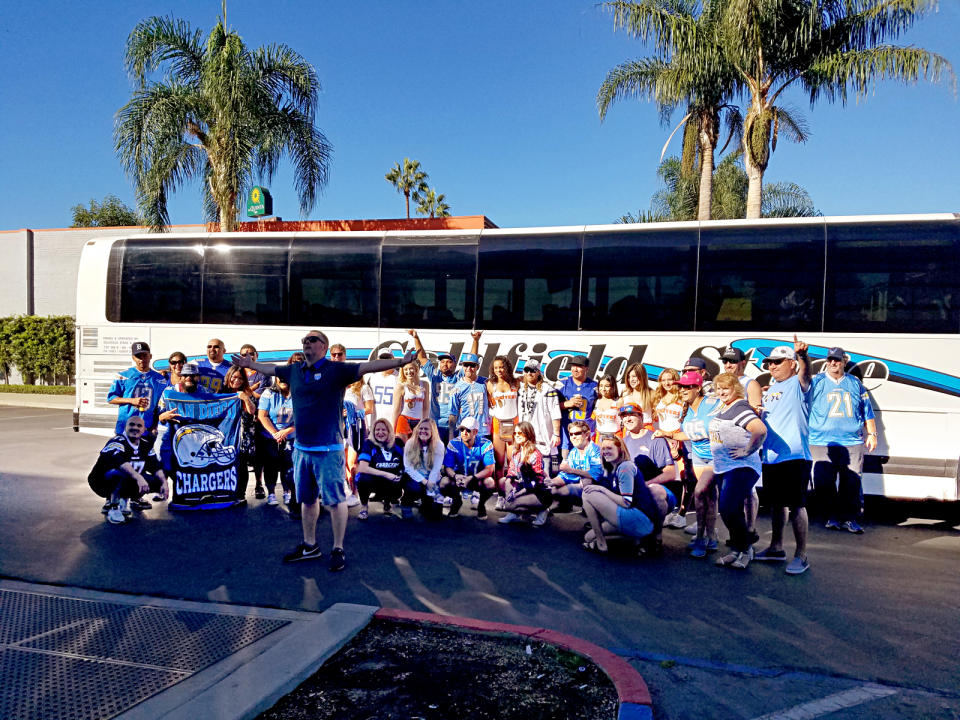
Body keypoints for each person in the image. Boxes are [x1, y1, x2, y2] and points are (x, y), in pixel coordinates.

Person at [233, 330, 415, 572]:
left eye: (312, 340)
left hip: (329, 449)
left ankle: (338, 548)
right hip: (301, 450)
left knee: (336, 501)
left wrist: (400, 362)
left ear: (324, 346)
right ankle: (310, 545)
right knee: (307, 500)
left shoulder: (336, 370)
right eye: (304, 341)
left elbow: (370, 366)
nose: (306, 344)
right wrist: (249, 364)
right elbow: (269, 370)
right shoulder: (294, 371)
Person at [754, 337, 813, 575]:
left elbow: (807, 374)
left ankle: (802, 555)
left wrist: (803, 356)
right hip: (771, 456)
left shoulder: (799, 384)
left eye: (778, 362)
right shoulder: (770, 390)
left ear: (791, 363)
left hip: (795, 454)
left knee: (797, 504)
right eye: (769, 363)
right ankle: (776, 548)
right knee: (777, 504)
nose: (772, 366)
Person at [808, 346, 877, 534]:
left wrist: (872, 433)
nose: (833, 363)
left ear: (844, 362)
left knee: (851, 481)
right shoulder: (817, 382)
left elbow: (866, 411)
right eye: (829, 360)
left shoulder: (855, 383)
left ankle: (849, 518)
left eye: (837, 360)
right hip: (821, 441)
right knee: (823, 482)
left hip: (851, 441)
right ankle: (831, 515)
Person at [655, 371, 722, 558]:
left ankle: (701, 537)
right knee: (709, 497)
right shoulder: (687, 408)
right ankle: (711, 537)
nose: (683, 390)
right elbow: (687, 434)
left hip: (716, 456)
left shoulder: (712, 404)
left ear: (698, 388)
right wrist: (666, 434)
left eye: (688, 386)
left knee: (700, 493)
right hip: (698, 456)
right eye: (682, 386)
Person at [709, 373, 768, 570]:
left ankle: (745, 550)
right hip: (724, 467)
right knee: (730, 510)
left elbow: (759, 430)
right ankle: (736, 550)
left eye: (726, 388)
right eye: (718, 388)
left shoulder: (740, 407)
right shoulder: (724, 407)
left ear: (735, 388)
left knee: (727, 508)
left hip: (741, 467)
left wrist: (747, 450)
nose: (721, 392)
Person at [581, 436, 673, 554]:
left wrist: (601, 490)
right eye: (603, 449)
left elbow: (626, 502)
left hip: (639, 517)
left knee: (588, 494)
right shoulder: (610, 470)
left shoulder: (625, 467)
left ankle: (601, 544)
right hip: (630, 516)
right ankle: (636, 539)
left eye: (610, 448)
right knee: (588, 537)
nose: (605, 452)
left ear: (620, 450)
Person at [719, 345, 764, 539]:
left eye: (732, 361)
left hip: (745, 445)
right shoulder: (722, 385)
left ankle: (750, 528)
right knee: (731, 493)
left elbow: (756, 414)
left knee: (748, 490)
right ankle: (737, 535)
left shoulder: (750, 383)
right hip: (727, 449)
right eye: (725, 361)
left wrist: (748, 449)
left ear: (742, 363)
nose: (728, 365)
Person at [89, 416, 167, 524]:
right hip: (101, 482)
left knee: (158, 479)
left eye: (139, 426)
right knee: (119, 473)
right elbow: (119, 462)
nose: (135, 428)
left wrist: (164, 483)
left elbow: (155, 466)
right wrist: (139, 477)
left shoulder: (145, 445)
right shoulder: (117, 441)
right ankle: (113, 506)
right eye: (131, 424)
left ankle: (126, 499)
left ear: (144, 430)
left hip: (126, 480)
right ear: (125, 427)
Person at [409, 329, 482, 444]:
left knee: (452, 454)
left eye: (449, 362)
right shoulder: (434, 374)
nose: (445, 364)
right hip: (435, 424)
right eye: (442, 362)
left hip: (454, 424)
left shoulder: (459, 376)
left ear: (454, 364)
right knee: (435, 453)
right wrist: (416, 337)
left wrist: (475, 341)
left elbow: (472, 358)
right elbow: (422, 358)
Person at [154, 362, 218, 476]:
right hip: (171, 435)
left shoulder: (205, 392)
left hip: (195, 438)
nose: (189, 378)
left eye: (193, 375)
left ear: (198, 377)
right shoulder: (169, 392)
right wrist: (164, 417)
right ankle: (162, 493)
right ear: (181, 377)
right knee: (165, 468)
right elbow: (158, 415)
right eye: (185, 375)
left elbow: (216, 412)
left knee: (195, 471)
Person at [107, 341, 169, 445]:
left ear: (150, 356)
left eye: (145, 355)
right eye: (138, 356)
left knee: (145, 460)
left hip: (146, 429)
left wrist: (154, 426)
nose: (142, 359)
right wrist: (131, 400)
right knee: (123, 459)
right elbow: (111, 398)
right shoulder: (123, 375)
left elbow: (159, 407)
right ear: (133, 358)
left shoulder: (159, 379)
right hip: (125, 428)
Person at [439, 417, 496, 519]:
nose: (464, 433)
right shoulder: (454, 443)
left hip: (476, 479)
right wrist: (455, 476)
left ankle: (481, 505)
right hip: (459, 479)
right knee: (443, 482)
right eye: (462, 429)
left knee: (490, 482)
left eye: (468, 430)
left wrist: (473, 478)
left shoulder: (486, 444)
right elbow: (448, 467)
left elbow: (489, 469)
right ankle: (457, 501)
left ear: (475, 432)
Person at [498, 421, 551, 526]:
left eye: (520, 433)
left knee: (510, 504)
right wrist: (508, 484)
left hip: (538, 492)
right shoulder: (516, 451)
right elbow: (511, 470)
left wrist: (517, 494)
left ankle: (542, 509)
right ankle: (515, 513)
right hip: (524, 486)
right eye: (515, 433)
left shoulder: (536, 454)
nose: (517, 435)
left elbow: (536, 483)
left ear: (528, 434)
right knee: (503, 481)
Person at [257, 371, 296, 510]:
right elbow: (262, 416)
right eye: (281, 377)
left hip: (290, 435)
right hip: (271, 436)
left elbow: (303, 417)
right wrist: (275, 433)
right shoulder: (268, 393)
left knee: (288, 465)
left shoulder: (298, 394)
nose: (283, 379)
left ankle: (288, 491)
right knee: (271, 465)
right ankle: (271, 493)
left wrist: (286, 431)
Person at [653, 368, 686, 528]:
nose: (666, 383)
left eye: (670, 379)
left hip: (676, 439)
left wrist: (677, 444)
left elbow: (683, 424)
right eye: (663, 380)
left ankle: (681, 514)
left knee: (682, 477)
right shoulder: (659, 397)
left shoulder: (682, 398)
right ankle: (666, 510)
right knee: (665, 474)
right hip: (662, 439)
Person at [516, 359, 562, 476]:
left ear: (538, 372)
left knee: (545, 467)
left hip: (543, 434)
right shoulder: (521, 389)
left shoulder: (548, 389)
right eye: (527, 370)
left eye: (533, 370)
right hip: (526, 434)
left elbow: (555, 412)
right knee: (527, 465)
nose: (529, 373)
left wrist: (556, 434)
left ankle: (546, 489)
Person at [355, 418, 405, 520]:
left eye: (383, 430)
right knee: (363, 479)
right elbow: (363, 468)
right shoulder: (369, 444)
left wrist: (400, 475)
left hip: (392, 480)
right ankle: (364, 506)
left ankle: (388, 503)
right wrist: (386, 474)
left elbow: (406, 463)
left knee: (402, 481)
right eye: (377, 430)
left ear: (389, 431)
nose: (380, 432)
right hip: (374, 480)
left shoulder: (398, 443)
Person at [487, 355, 520, 501]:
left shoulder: (516, 382)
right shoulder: (490, 384)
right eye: (496, 368)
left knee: (512, 461)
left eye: (501, 366)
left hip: (513, 424)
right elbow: (489, 404)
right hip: (497, 424)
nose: (499, 370)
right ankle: (501, 495)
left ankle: (512, 492)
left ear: (507, 366)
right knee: (499, 462)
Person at [400, 419, 445, 520]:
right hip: (415, 477)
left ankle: (426, 502)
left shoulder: (439, 445)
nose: (423, 431)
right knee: (414, 488)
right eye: (421, 428)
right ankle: (406, 503)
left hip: (431, 479)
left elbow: (436, 468)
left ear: (432, 431)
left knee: (434, 517)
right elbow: (408, 467)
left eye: (426, 429)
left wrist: (431, 486)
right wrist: (424, 482)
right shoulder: (410, 443)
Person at [549, 419, 602, 504]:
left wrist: (571, 470)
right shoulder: (573, 452)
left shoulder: (595, 450)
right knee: (551, 488)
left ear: (587, 435)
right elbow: (565, 476)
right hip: (580, 488)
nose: (573, 437)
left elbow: (596, 474)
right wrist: (550, 482)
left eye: (577, 433)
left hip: (600, 490)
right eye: (571, 434)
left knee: (587, 481)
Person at [224, 366, 257, 502]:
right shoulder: (221, 392)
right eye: (234, 377)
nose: (236, 380)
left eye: (240, 378)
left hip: (243, 436)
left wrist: (245, 398)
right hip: (226, 436)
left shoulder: (247, 393)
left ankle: (240, 494)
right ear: (229, 377)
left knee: (241, 465)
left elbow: (252, 411)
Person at [558, 356, 598, 454]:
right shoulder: (562, 384)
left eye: (579, 366)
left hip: (586, 433)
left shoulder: (595, 386)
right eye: (573, 366)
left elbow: (604, 404)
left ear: (586, 369)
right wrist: (567, 404)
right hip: (567, 433)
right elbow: (549, 407)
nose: (575, 369)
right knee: (566, 464)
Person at [447, 352, 490, 439]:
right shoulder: (456, 388)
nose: (469, 368)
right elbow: (453, 414)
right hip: (465, 432)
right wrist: (451, 435)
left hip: (483, 430)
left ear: (477, 367)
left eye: (472, 365)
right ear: (462, 366)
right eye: (466, 365)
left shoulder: (486, 382)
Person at [392, 358, 429, 443]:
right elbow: (396, 410)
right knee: (402, 448)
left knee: (417, 449)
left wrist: (424, 422)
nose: (408, 372)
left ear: (416, 369)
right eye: (405, 369)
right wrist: (392, 430)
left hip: (419, 421)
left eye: (411, 368)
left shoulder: (425, 384)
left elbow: (426, 408)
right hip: (404, 420)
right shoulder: (400, 386)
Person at [366, 352, 400, 423]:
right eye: (382, 359)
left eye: (388, 359)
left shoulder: (400, 378)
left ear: (393, 359)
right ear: (378, 360)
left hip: (392, 423)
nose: (385, 362)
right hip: (375, 423)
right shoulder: (372, 378)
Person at [591, 374, 621, 441]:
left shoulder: (618, 401)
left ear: (613, 387)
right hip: (599, 438)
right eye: (601, 386)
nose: (603, 389)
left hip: (614, 438)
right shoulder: (596, 401)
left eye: (607, 386)